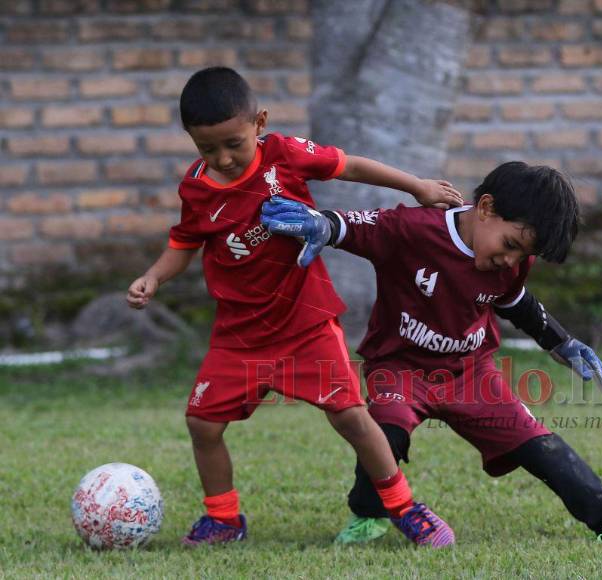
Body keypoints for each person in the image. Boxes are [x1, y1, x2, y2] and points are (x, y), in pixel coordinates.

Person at [126, 66, 464, 547]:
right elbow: (184, 243)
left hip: (305, 323)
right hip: (239, 336)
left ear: (259, 123)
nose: (222, 158)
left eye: (233, 143)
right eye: (207, 148)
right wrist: (153, 277)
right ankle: (223, 519)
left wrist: (417, 186)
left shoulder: (284, 155)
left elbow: (351, 165)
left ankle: (405, 508)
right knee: (202, 423)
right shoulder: (196, 188)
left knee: (350, 416)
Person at [261, 161, 602, 546]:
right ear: (485, 208)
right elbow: (351, 226)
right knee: (384, 430)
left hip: (471, 373)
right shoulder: (413, 230)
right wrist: (321, 224)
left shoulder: (511, 262)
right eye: (510, 246)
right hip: (400, 369)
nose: (511, 261)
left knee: (538, 444)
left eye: (522, 256)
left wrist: (559, 341)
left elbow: (514, 300)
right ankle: (368, 515)